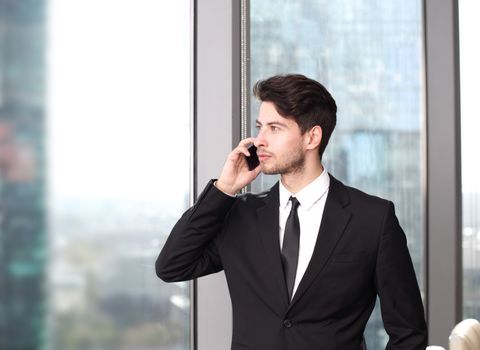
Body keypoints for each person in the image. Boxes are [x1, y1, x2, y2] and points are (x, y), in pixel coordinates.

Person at [156, 74, 427, 350]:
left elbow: (408, 332)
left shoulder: (373, 219)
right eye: (260, 127)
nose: (259, 140)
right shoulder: (240, 216)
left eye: (275, 128)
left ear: (312, 137)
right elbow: (172, 265)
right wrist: (224, 188)